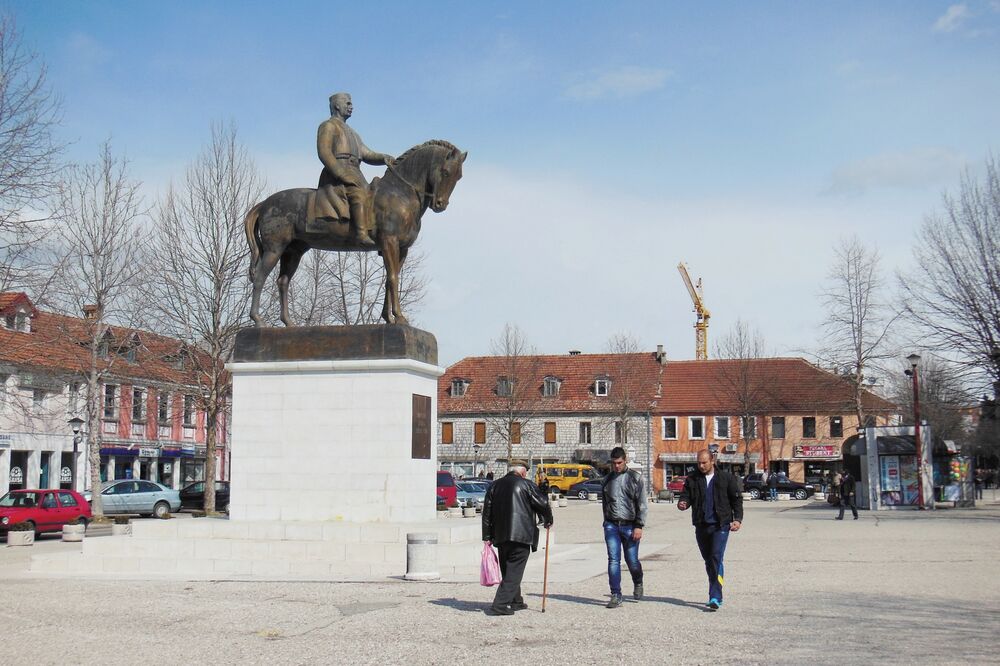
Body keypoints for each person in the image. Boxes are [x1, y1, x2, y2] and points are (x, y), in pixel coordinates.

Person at [315, 92, 394, 246]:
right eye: (348, 103)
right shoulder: (328, 126)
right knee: (358, 193)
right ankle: (361, 233)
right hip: (336, 173)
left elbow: (366, 153)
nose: (351, 106)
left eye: (351, 103)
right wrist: (340, 173)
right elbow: (324, 152)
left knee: (376, 191)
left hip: (355, 172)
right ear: (337, 105)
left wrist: (384, 157)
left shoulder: (353, 133)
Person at [481, 460, 553, 615]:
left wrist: (487, 535)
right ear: (523, 472)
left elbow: (486, 513)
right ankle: (499, 605)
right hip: (521, 535)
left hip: (500, 535)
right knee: (514, 572)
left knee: (508, 569)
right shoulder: (526, 485)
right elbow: (543, 504)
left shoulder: (494, 485)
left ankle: (516, 601)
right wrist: (548, 520)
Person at [678, 449, 743, 611]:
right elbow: (686, 496)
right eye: (699, 462)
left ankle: (715, 596)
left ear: (712, 460)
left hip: (720, 525)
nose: (701, 465)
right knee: (709, 561)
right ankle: (715, 590)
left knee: (715, 558)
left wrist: (737, 519)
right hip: (701, 525)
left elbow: (736, 500)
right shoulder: (692, 479)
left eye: (704, 462)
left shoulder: (726, 478)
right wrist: (683, 503)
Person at [601, 446, 648, 608]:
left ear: (625, 460)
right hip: (612, 525)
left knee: (632, 560)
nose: (616, 466)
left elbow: (642, 504)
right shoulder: (607, 480)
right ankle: (616, 594)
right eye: (614, 463)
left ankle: (638, 582)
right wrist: (606, 522)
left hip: (630, 525)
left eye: (619, 463)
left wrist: (639, 526)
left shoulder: (636, 478)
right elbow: (605, 503)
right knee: (613, 559)